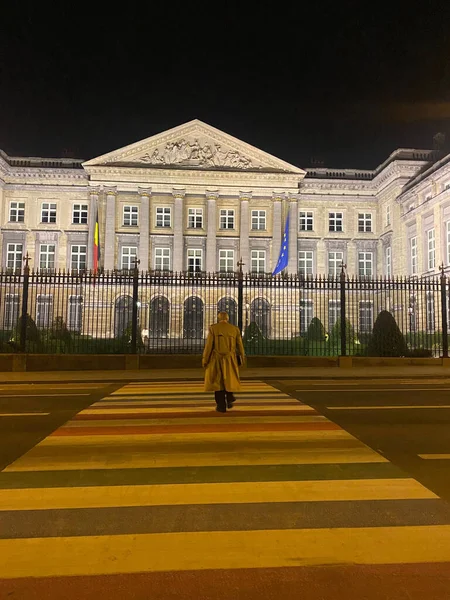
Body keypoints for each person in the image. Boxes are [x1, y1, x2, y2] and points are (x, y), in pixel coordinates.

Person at [202, 311, 245, 413]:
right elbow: (240, 346)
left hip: (216, 359)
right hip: (230, 359)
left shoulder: (213, 328)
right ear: (228, 318)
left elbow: (208, 346)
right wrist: (242, 358)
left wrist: (205, 359)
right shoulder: (235, 329)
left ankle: (221, 406)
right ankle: (230, 397)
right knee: (229, 379)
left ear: (218, 318)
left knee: (218, 382)